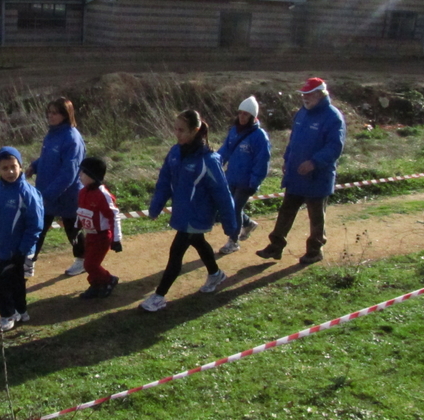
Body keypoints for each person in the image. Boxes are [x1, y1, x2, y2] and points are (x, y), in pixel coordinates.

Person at [140, 110, 237, 313]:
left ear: (195, 131)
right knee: (198, 242)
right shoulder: (175, 153)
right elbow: (164, 181)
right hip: (182, 213)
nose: (177, 134)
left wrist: (231, 224)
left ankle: (159, 296)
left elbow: (222, 194)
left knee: (176, 252)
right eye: (175, 129)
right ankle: (216, 274)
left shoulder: (209, 160)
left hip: (197, 214)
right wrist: (156, 205)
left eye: (182, 130)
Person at [256, 77, 346, 264]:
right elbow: (294, 141)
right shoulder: (301, 114)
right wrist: (287, 160)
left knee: (316, 216)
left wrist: (314, 162)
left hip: (318, 175)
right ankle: (275, 246)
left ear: (321, 94)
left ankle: (315, 250)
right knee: (286, 210)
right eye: (303, 94)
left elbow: (334, 147)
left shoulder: (333, 117)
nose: (305, 97)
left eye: (309, 94)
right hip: (296, 174)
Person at [0, 147, 44, 332]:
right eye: (4, 168)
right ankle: (21, 311)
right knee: (16, 281)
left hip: (18, 250)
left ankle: (7, 315)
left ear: (20, 166)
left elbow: (36, 225)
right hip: (5, 247)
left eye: (13, 166)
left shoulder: (27, 193)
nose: (10, 172)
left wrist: (23, 250)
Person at [25, 97, 86, 278]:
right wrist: (34, 166)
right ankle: (28, 263)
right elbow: (48, 157)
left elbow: (69, 172)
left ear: (65, 115)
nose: (50, 116)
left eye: (55, 113)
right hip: (46, 192)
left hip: (67, 195)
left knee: (72, 229)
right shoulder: (52, 134)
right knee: (37, 228)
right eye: (49, 112)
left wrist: (48, 194)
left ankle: (82, 260)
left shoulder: (72, 138)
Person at [216, 95, 271, 254]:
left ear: (253, 116)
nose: (241, 117)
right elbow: (225, 150)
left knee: (234, 209)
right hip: (231, 177)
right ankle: (247, 224)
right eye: (240, 113)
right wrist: (215, 164)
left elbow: (262, 160)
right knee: (229, 207)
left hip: (246, 182)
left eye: (245, 114)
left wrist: (255, 181)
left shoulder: (259, 137)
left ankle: (233, 241)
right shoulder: (234, 131)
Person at [76, 157, 123, 299]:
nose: (80, 175)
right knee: (88, 263)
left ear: (92, 175)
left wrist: (116, 239)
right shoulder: (83, 192)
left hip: (102, 237)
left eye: (83, 172)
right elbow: (80, 212)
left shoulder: (103, 195)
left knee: (91, 264)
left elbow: (114, 216)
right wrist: (76, 229)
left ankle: (109, 280)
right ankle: (96, 285)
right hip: (90, 235)